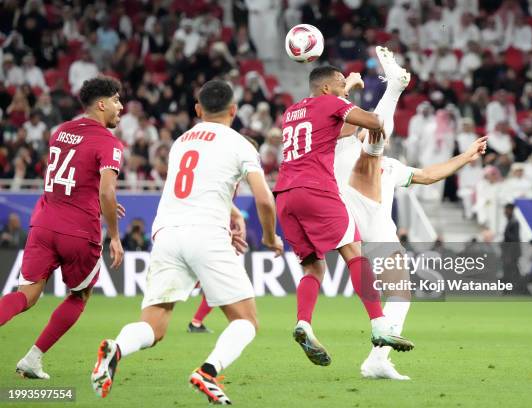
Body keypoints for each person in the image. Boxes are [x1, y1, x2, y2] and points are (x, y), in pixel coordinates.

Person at [91, 80, 283, 405]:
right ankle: (208, 372)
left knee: (155, 325)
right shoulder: (240, 144)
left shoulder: (181, 141)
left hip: (166, 234)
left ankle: (118, 346)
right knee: (246, 321)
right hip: (206, 233)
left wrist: (232, 211)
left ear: (198, 110)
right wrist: (268, 236)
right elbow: (264, 200)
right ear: (234, 111)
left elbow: (193, 186)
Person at [335, 47, 488, 380]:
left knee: (402, 294)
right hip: (354, 214)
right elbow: (338, 113)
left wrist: (466, 156)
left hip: (380, 234)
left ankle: (378, 359)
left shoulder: (391, 166)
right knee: (371, 147)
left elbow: (430, 175)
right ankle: (395, 86)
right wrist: (346, 88)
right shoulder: (345, 147)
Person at [274, 65, 414, 369]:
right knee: (354, 252)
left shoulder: (292, 112)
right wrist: (354, 93)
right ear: (326, 88)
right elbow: (374, 123)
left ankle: (304, 323)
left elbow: (336, 129)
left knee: (312, 268)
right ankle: (379, 324)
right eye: (338, 82)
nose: (343, 86)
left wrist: (345, 89)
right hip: (316, 190)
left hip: (284, 195)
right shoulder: (334, 102)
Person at [0, 76, 125, 379]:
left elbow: (74, 178)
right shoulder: (109, 142)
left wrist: (98, 200)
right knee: (79, 296)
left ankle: (30, 360)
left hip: (43, 224)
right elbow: (107, 191)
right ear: (101, 103)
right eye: (117, 100)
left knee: (26, 295)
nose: (120, 107)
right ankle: (32, 358)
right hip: (79, 232)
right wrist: (115, 237)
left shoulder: (61, 131)